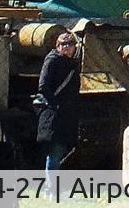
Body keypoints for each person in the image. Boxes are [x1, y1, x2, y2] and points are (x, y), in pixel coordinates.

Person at [35, 30, 82, 169]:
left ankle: (53, 187)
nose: (66, 46)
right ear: (57, 46)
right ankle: (51, 189)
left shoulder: (72, 63)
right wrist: (56, 104)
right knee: (54, 153)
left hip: (67, 114)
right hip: (54, 113)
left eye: (70, 43)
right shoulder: (53, 60)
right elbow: (43, 86)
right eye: (63, 44)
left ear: (75, 46)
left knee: (59, 151)